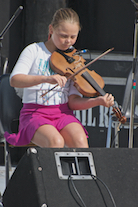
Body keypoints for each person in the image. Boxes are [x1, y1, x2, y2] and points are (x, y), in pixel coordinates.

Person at [4, 8, 114, 148]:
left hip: (63, 113)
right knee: (55, 142)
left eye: (73, 37)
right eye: (63, 36)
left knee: (80, 141)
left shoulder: (73, 59)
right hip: (35, 114)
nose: (68, 41)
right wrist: (46, 79)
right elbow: (14, 80)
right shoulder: (34, 50)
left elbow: (73, 102)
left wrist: (97, 101)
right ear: (51, 29)